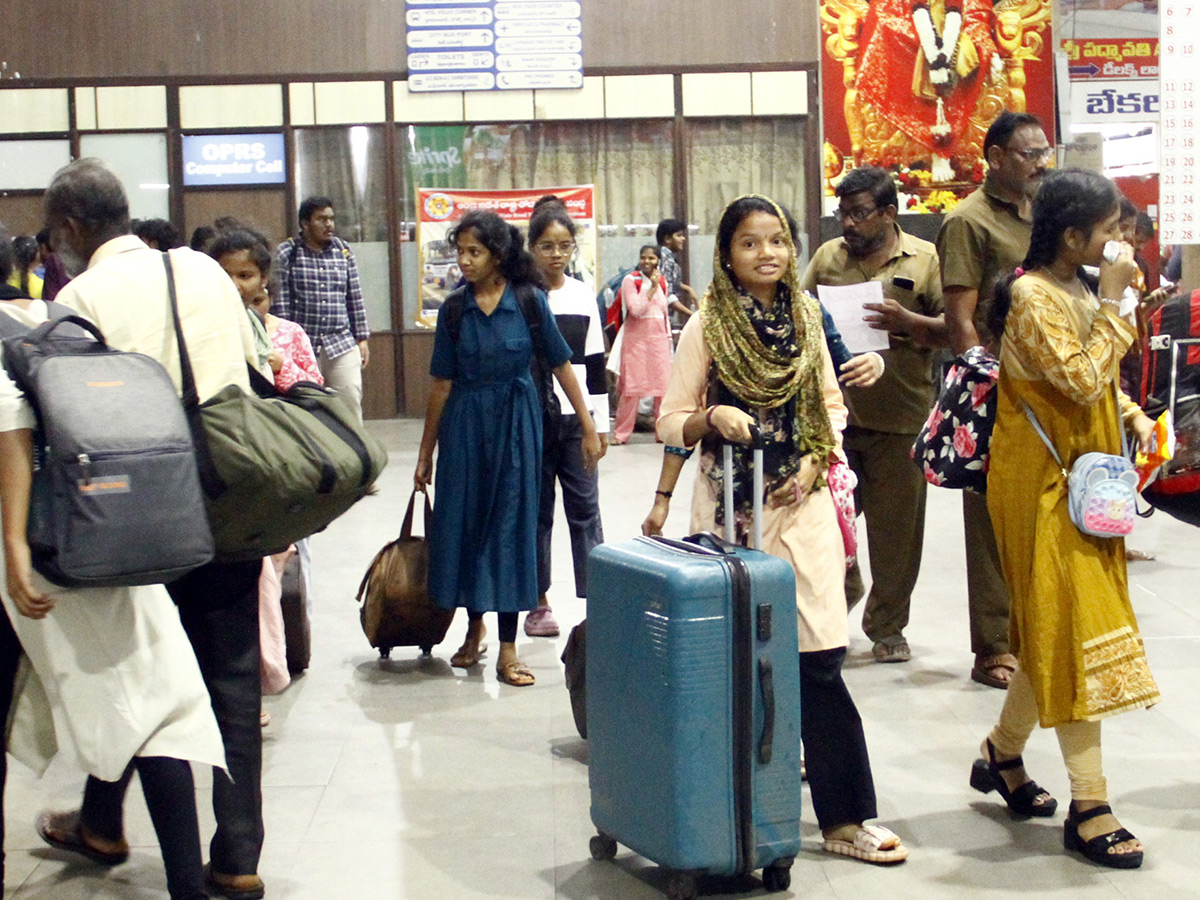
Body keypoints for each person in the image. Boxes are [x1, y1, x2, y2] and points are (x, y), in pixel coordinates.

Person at [657, 194, 907, 865]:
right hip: (728, 517)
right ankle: (725, 814)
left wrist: (815, 462)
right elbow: (670, 418)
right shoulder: (707, 325)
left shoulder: (807, 315)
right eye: (749, 242)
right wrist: (711, 419)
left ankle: (846, 819)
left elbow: (830, 405)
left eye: (776, 240)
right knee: (734, 662)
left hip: (804, 505)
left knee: (819, 657)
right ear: (726, 254)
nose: (765, 253)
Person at [41, 159, 267, 900]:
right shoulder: (203, 271)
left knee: (138, 675)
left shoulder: (79, 297)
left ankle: (108, 824)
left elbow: (71, 415)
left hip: (141, 511)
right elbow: (252, 364)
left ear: (71, 227)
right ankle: (237, 854)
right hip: (230, 490)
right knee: (231, 676)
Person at [0, 220, 225, 900]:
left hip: (35, 552)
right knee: (159, 706)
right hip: (107, 532)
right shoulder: (57, 319)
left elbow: (10, 433)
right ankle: (184, 883)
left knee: (140, 711)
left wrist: (14, 547)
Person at [971, 168, 1159, 869]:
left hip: (1087, 482)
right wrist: (1113, 301)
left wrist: (1132, 413)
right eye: (1109, 231)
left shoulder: (1078, 286)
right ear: (1072, 235)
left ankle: (1001, 754)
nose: (1119, 242)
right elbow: (1078, 378)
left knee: (1050, 628)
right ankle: (1091, 805)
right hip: (1041, 485)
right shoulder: (1031, 295)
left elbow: (1096, 379)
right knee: (1075, 632)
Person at [414, 211, 602, 687]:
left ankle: (508, 650)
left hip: (518, 427)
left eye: (473, 252)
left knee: (511, 532)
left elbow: (562, 365)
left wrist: (588, 425)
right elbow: (441, 385)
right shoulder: (454, 310)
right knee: (468, 527)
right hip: (464, 430)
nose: (463, 261)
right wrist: (425, 454)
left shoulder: (529, 301)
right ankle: (473, 628)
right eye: (459, 251)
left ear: (497, 255)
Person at [799, 166, 947, 664]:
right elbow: (797, 311)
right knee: (823, 523)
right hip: (835, 420)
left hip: (901, 418)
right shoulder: (828, 258)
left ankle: (887, 626)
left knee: (896, 535)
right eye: (843, 213)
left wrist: (908, 321)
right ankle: (839, 597)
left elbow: (953, 327)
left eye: (859, 213)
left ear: (888, 212)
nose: (848, 223)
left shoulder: (925, 259)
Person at [935, 110, 1050, 689]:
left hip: (1049, 380)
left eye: (1045, 152)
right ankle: (994, 647)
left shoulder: (1044, 214)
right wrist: (983, 385)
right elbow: (960, 318)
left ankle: (1036, 632)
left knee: (1041, 510)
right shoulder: (968, 221)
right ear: (996, 158)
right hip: (997, 385)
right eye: (1029, 154)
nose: (1041, 163)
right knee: (989, 517)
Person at [524, 201, 609, 638]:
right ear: (531, 248)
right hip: (534, 420)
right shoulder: (521, 298)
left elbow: (594, 365)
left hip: (578, 422)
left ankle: (598, 603)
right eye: (546, 246)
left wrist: (600, 425)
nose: (556, 254)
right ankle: (538, 603)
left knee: (586, 510)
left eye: (564, 246)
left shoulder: (582, 295)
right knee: (537, 514)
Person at [273, 196, 370, 425]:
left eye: (331, 219)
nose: (329, 225)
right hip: (303, 345)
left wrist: (362, 338)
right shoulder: (288, 253)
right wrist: (282, 345)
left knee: (350, 399)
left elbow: (354, 295)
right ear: (305, 224)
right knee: (307, 407)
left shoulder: (343, 250)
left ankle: (354, 444)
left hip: (341, 342)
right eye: (322, 219)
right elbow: (281, 304)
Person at [612, 245, 672, 445]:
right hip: (636, 342)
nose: (647, 262)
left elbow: (664, 314)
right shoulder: (631, 281)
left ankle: (662, 432)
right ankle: (621, 434)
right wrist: (651, 288)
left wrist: (668, 339)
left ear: (658, 260)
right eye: (643, 258)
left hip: (659, 342)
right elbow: (636, 310)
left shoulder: (663, 281)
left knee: (662, 390)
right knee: (632, 389)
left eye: (651, 258)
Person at [657, 218, 698, 327]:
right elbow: (667, 295)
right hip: (658, 320)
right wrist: (693, 315)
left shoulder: (664, 255)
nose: (683, 239)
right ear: (667, 239)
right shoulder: (665, 259)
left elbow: (670, 281)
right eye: (679, 235)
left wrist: (687, 289)